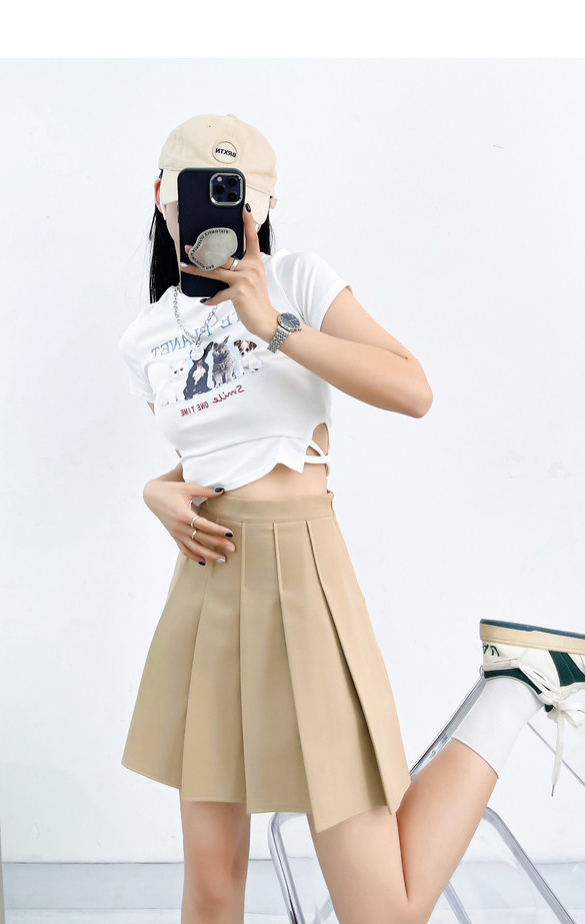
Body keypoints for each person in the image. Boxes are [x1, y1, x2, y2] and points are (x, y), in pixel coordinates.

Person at [117, 113, 585, 924]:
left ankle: (514, 687)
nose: (221, 210)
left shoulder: (298, 281)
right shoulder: (146, 337)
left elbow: (412, 389)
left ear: (262, 207)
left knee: (383, 910)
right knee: (213, 885)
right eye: (199, 188)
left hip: (305, 579)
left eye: (240, 194)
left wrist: (278, 328)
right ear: (162, 194)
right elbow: (222, 451)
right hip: (206, 590)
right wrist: (156, 491)